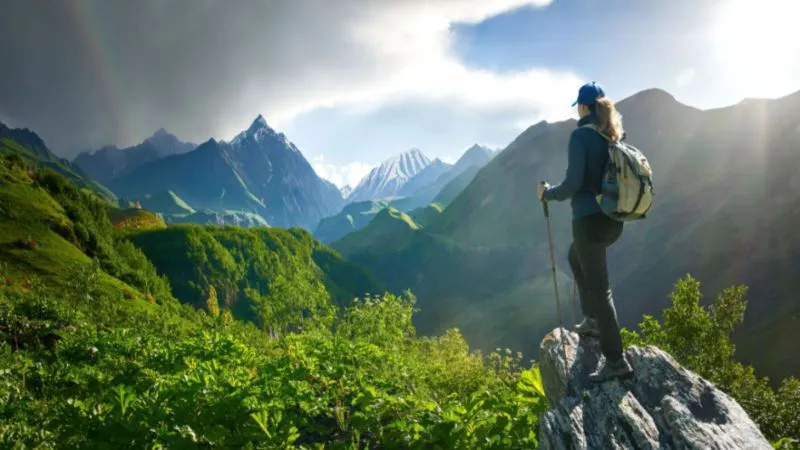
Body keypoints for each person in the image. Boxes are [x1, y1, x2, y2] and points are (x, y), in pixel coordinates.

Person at [536, 81, 634, 382]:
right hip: (613, 221)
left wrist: (547, 193)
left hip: (588, 221)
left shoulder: (580, 136)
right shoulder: (614, 136)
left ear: (583, 106)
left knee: (600, 289)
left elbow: (572, 184)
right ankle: (591, 319)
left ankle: (616, 360)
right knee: (574, 256)